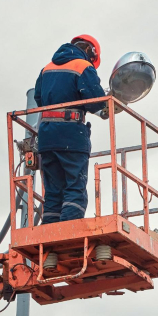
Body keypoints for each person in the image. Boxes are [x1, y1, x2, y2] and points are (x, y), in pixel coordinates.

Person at [34, 34, 106, 224]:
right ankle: (67, 235)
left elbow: (39, 98)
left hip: (47, 137)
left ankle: (49, 243)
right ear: (91, 51)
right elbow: (95, 102)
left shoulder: (46, 69)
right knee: (75, 189)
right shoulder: (83, 66)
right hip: (71, 136)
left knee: (53, 194)